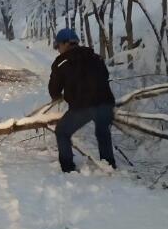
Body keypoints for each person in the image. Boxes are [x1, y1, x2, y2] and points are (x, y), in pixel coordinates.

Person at [49, 28, 117, 172]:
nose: (58, 50)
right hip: (106, 103)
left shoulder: (61, 62)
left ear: (64, 44)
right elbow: (105, 76)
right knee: (103, 132)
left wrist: (58, 97)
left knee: (62, 131)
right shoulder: (95, 57)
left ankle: (68, 168)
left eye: (58, 46)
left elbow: (54, 89)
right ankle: (109, 165)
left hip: (83, 107)